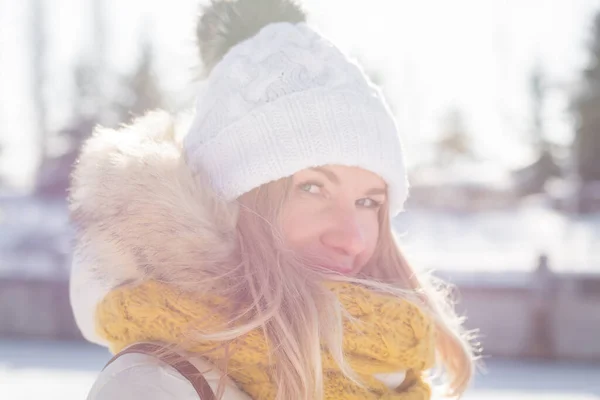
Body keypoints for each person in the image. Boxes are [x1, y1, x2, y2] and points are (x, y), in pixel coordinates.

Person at [69, 0, 477, 398]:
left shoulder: (395, 367)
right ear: (229, 204)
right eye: (312, 188)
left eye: (369, 202)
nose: (351, 238)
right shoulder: (154, 387)